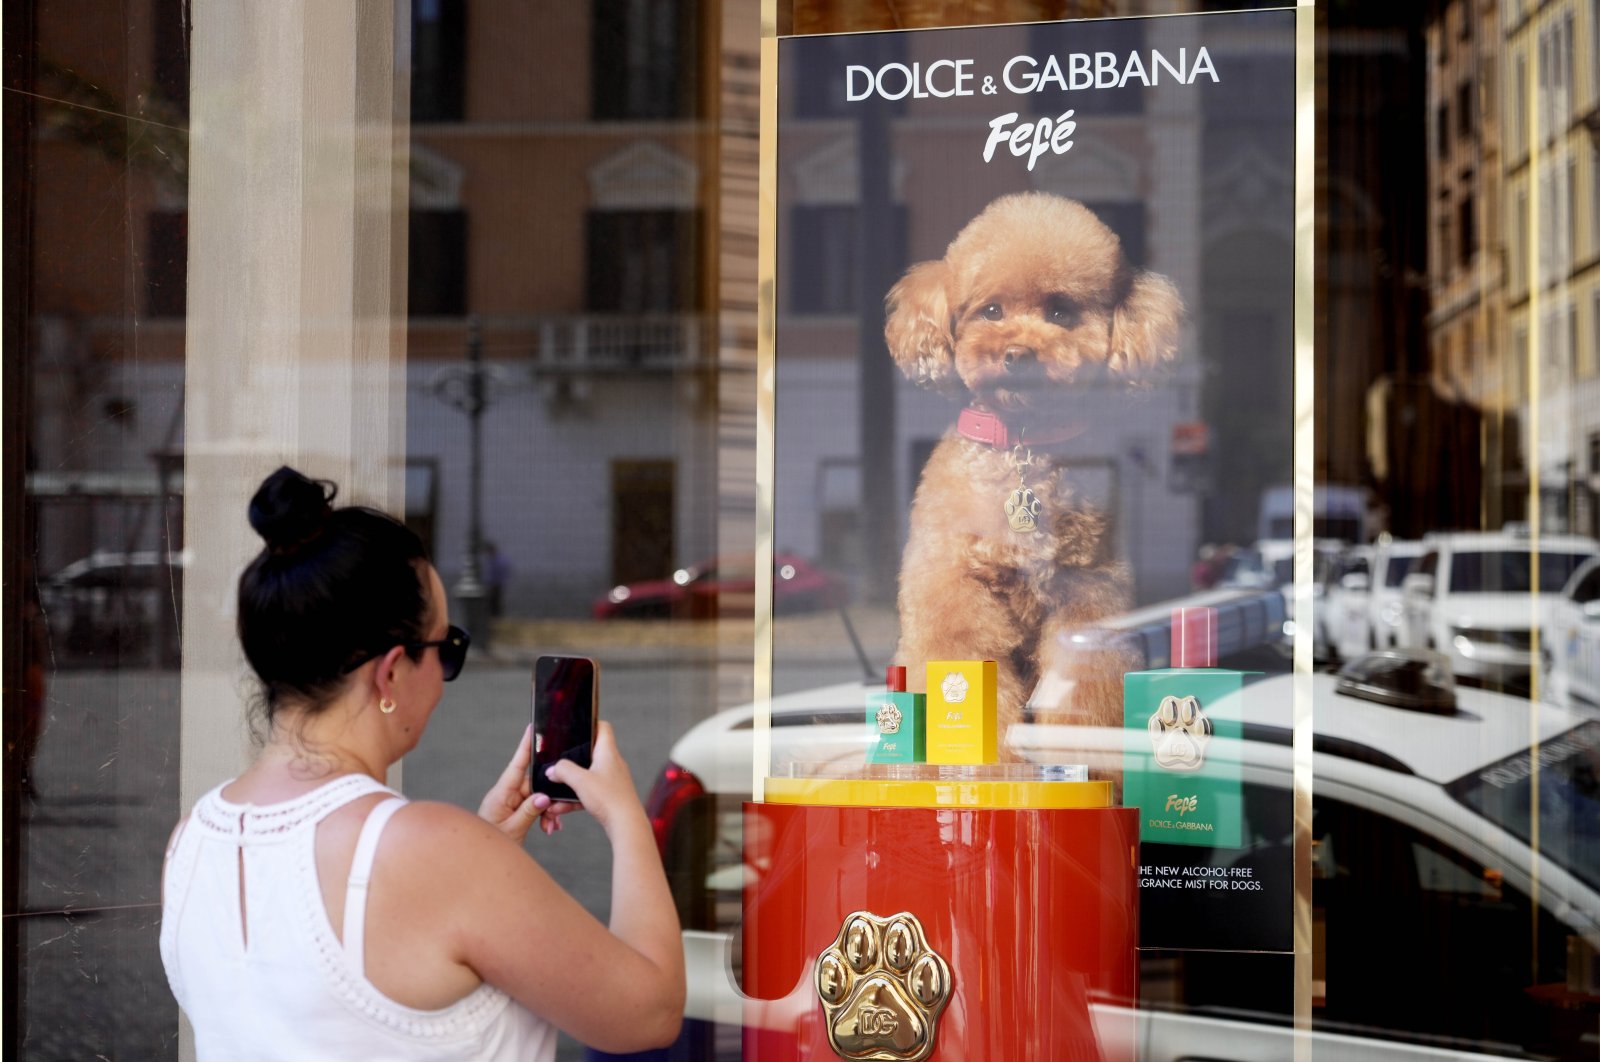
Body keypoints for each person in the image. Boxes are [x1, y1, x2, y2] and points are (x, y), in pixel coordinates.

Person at [159, 466, 684, 1059]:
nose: (445, 675)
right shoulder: (437, 855)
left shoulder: (191, 842)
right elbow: (651, 1013)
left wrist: (481, 850)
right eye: (446, 648)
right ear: (389, 672)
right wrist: (626, 819)